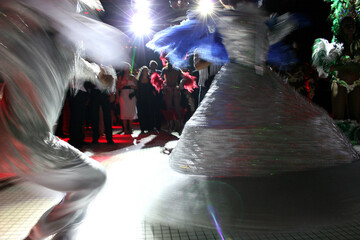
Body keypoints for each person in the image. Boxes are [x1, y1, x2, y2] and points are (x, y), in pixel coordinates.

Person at [143, 0, 360, 233]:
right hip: (247, 80)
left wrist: (224, 46)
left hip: (251, 79)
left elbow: (260, 41)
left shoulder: (247, 21)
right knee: (247, 127)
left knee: (253, 128)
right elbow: (205, 58)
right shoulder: (245, 21)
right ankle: (246, 182)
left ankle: (250, 180)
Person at [0, 0, 128, 239]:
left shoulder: (61, 51)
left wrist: (101, 76)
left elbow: (84, 67)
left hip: (15, 142)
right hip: (29, 146)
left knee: (79, 202)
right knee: (93, 180)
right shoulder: (30, 42)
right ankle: (36, 235)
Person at [117, 62, 138, 134]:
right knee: (124, 111)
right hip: (124, 95)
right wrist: (123, 84)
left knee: (131, 111)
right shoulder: (121, 77)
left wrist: (133, 86)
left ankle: (130, 128)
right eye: (125, 67)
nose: (126, 69)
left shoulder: (133, 77)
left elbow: (137, 87)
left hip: (131, 95)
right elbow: (118, 87)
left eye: (127, 67)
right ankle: (125, 129)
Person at [137, 66, 155, 133]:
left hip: (149, 98)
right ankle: (142, 128)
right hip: (141, 98)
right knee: (141, 113)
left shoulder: (150, 79)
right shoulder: (138, 80)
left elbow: (153, 88)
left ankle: (150, 127)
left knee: (149, 112)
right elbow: (137, 89)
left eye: (147, 70)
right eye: (144, 70)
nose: (146, 71)